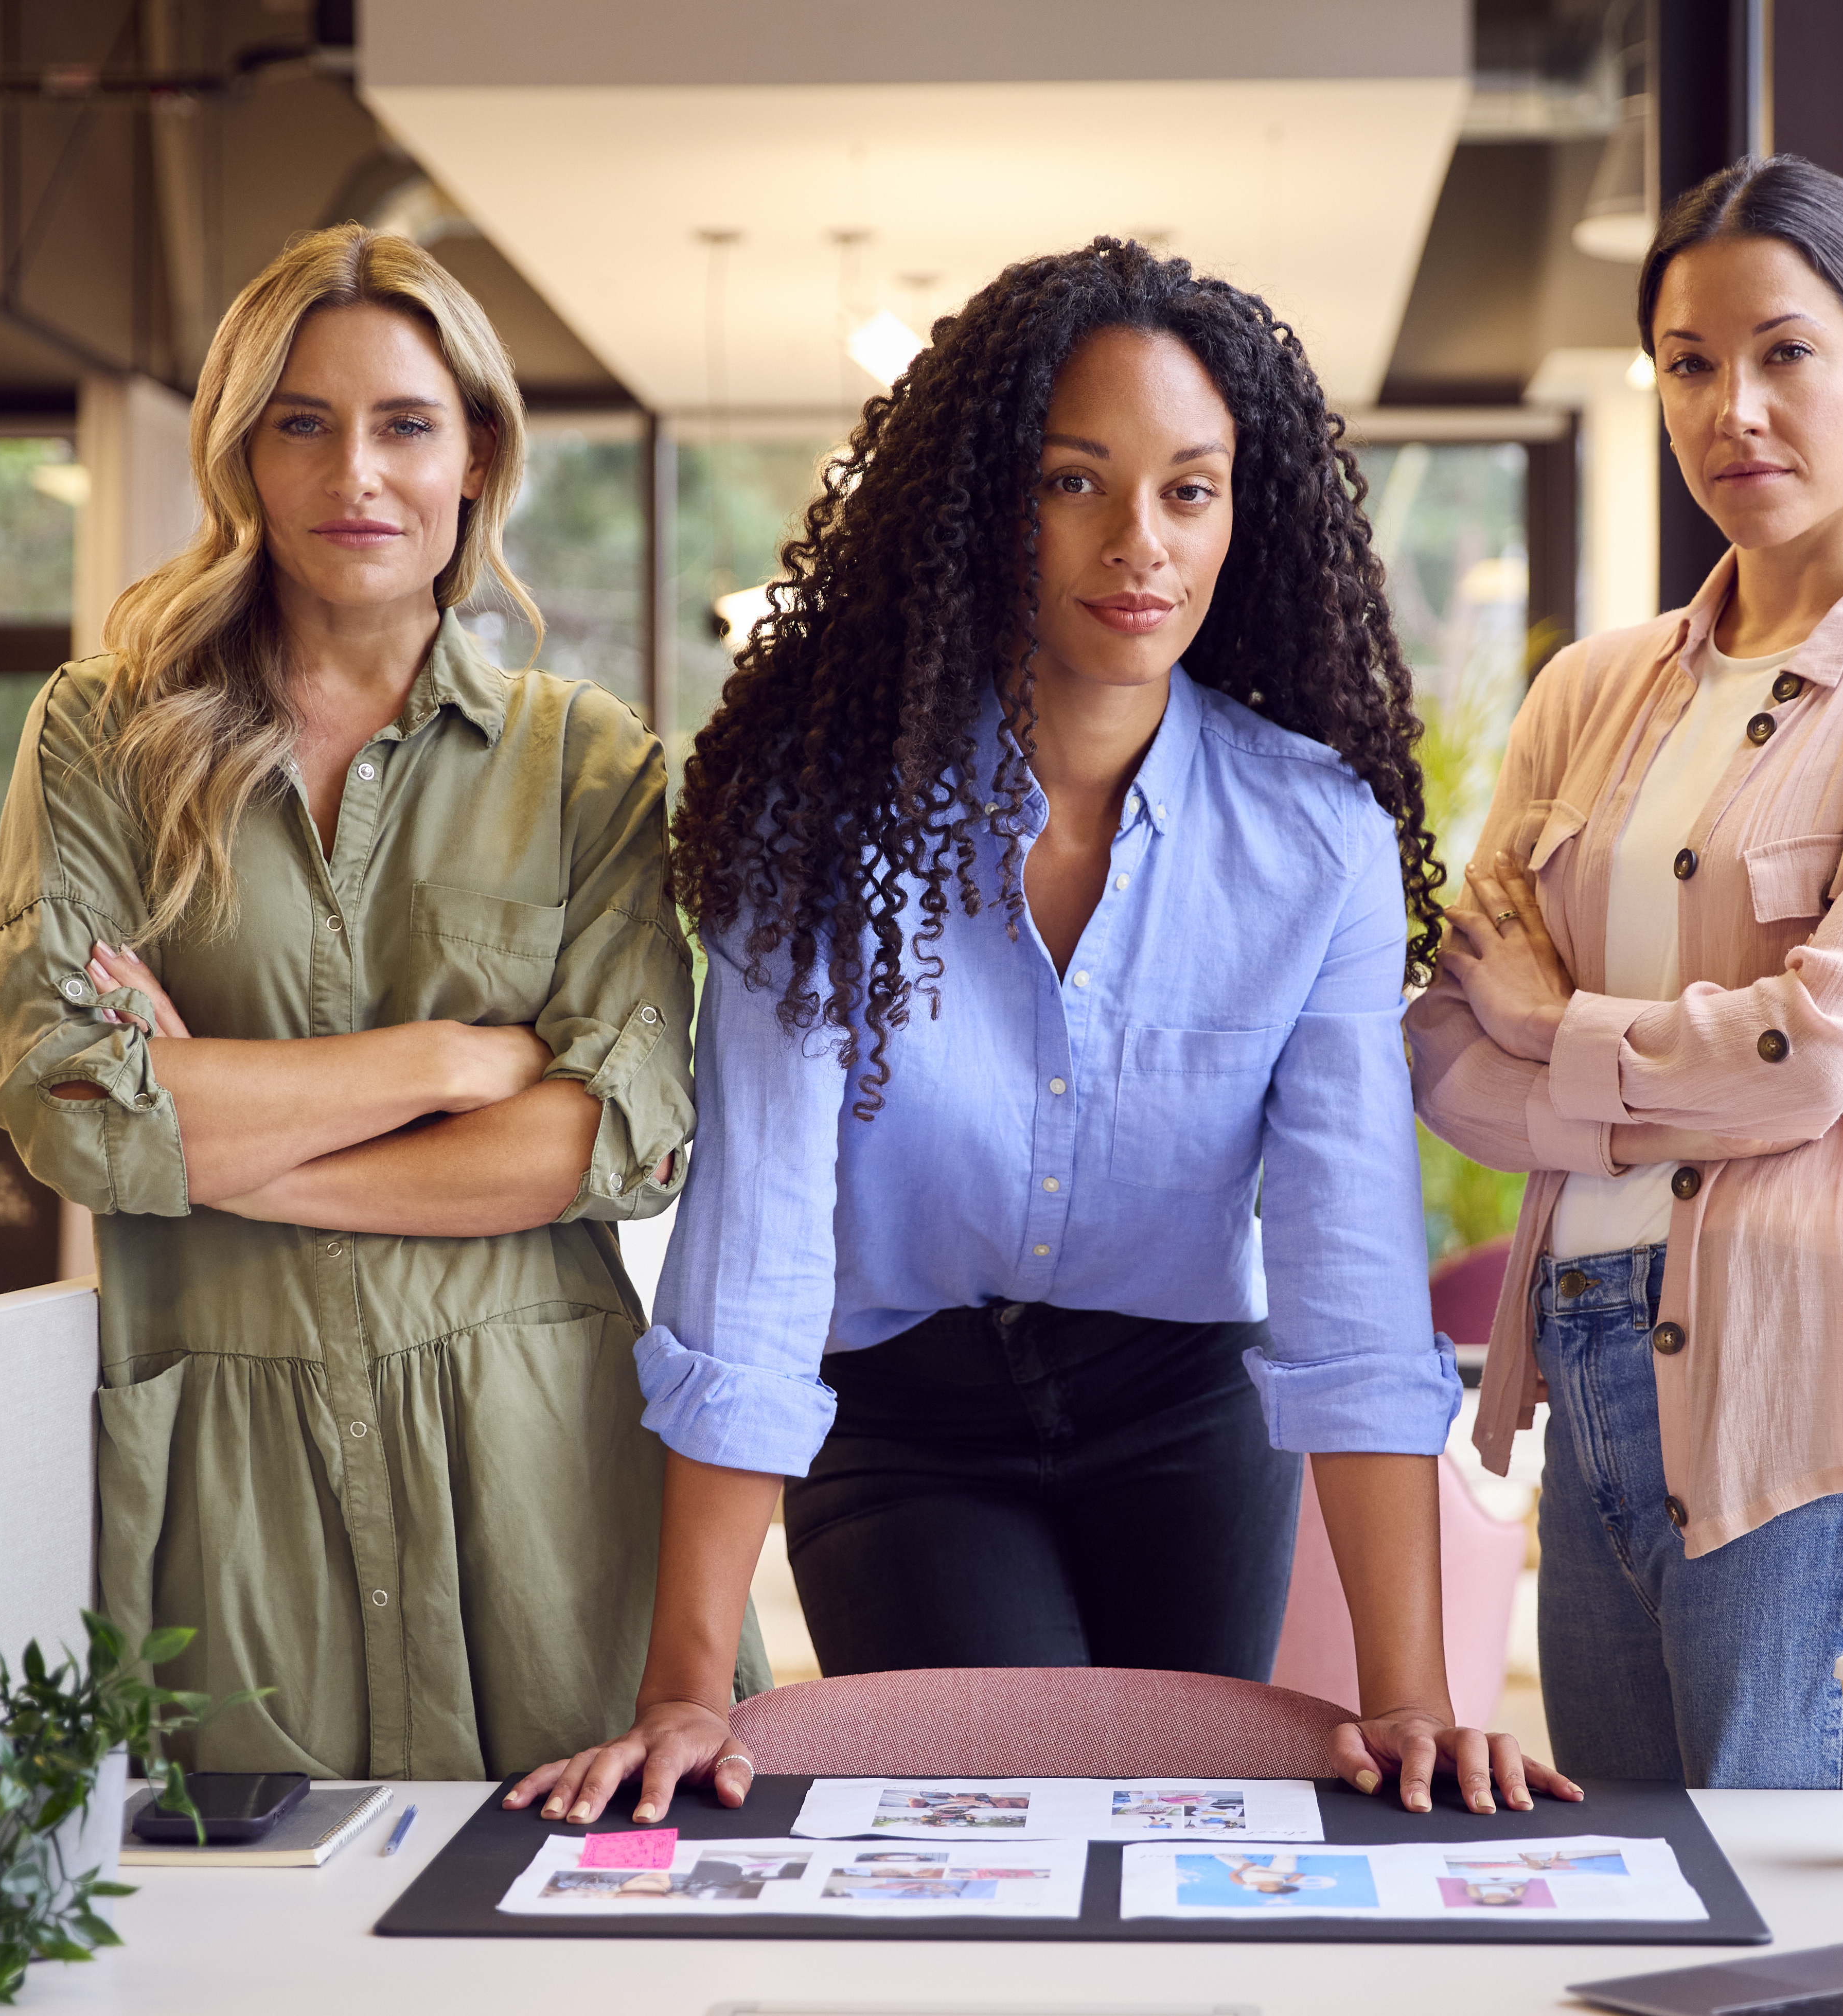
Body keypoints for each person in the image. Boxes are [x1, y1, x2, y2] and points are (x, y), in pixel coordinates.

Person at [511, 237, 1577, 1830]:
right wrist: (687, 1688)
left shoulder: (1315, 839)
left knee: (1189, 1849)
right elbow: (758, 1252)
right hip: (906, 1419)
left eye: (1189, 490)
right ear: (981, 504)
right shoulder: (827, 822)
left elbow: (1351, 1276)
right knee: (998, 1836)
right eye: (1076, 482)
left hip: (1184, 1413)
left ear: (1244, 512)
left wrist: (1416, 1705)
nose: (1138, 543)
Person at [0, 224, 742, 1780]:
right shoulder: (104, 734)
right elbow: (75, 1105)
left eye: (405, 425)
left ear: (476, 458)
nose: (356, 476)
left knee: (603, 1924)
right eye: (301, 424)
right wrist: (453, 1060)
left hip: (541, 1473)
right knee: (235, 1952)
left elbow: (616, 1145)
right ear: (241, 454)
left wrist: (225, 1137)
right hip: (224, 1467)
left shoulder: (588, 765)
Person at [1408, 155, 1843, 1790]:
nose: (1734, 410)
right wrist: (1651, 1084)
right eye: (1690, 366)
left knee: (1800, 1951)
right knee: (1636, 1921)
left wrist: (1558, 1033)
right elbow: (1437, 1044)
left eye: (1787, 354)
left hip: (1822, 1415)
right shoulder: (1593, 688)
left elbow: (1823, 1046)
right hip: (1585, 1379)